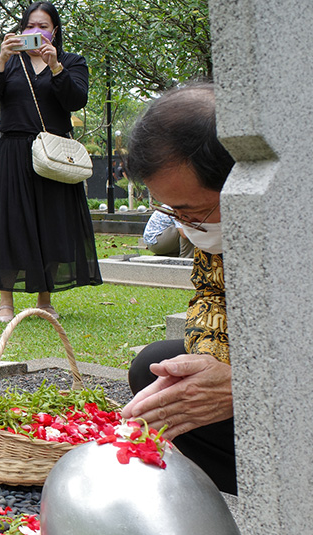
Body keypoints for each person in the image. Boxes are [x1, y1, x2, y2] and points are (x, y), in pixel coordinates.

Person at [122, 83, 235, 494]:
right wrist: (211, 366)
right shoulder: (216, 229)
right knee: (158, 368)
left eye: (188, 211)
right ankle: (240, 494)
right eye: (171, 211)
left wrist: (246, 386)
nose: (184, 225)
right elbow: (212, 296)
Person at [0, 1, 101, 323]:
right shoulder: (11, 64)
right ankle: (6, 302)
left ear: (54, 31)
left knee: (52, 224)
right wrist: (2, 59)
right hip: (13, 153)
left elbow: (76, 100)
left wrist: (56, 67)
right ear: (21, 29)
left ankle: (45, 300)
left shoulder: (72, 62)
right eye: (30, 26)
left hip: (53, 154)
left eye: (43, 26)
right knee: (10, 225)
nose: (36, 32)